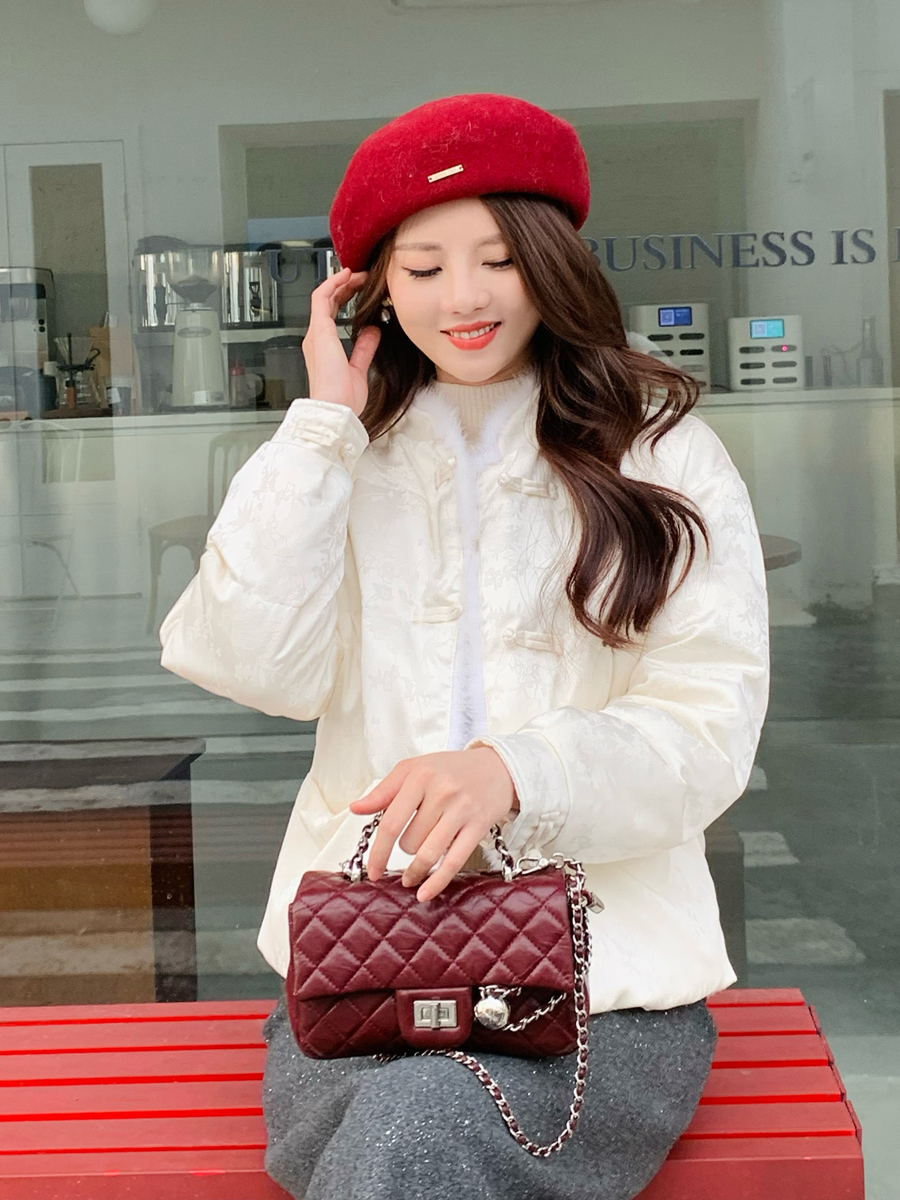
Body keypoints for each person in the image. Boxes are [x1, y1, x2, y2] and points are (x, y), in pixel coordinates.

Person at [158, 92, 769, 1200]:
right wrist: (323, 426)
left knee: (423, 1131)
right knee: (409, 1131)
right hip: (363, 980)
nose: (465, 297)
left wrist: (517, 774)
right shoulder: (343, 451)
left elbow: (709, 726)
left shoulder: (659, 450)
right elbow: (249, 664)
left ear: (552, 264)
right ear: (375, 287)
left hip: (605, 988)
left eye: (499, 258)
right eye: (426, 265)